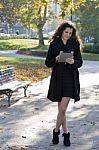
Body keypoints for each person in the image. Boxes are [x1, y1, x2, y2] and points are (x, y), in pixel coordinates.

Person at [45, 21, 83, 146]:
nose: (68, 35)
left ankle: (56, 131)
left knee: (63, 108)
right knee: (61, 110)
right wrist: (56, 58)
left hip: (70, 78)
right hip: (58, 78)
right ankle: (66, 133)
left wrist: (74, 62)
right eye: (66, 32)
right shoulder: (54, 43)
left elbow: (80, 62)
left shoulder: (75, 43)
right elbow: (48, 63)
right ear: (61, 31)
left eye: (70, 33)